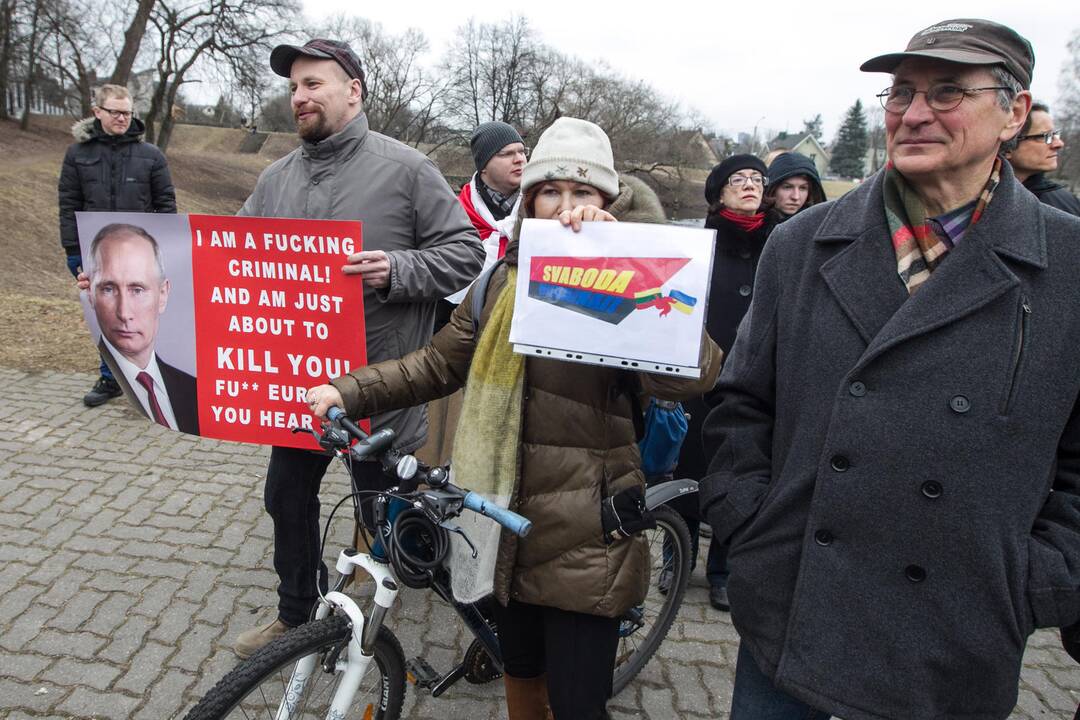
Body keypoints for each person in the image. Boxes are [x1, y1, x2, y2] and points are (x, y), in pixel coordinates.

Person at [699, 18, 1080, 720]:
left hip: (955, 635)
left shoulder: (1068, 264)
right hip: (794, 614)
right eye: (901, 93)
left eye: (947, 92)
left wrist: (1034, 581)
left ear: (1013, 112)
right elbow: (740, 406)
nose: (914, 112)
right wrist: (751, 525)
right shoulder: (804, 244)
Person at [306, 117, 722, 720]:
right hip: (500, 525)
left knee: (580, 705)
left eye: (584, 194)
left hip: (588, 533)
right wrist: (348, 389)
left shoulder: (634, 279)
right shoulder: (501, 281)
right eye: (551, 192)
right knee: (521, 676)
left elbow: (692, 376)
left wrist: (629, 263)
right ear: (530, 202)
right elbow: (435, 365)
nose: (566, 208)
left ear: (608, 203)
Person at [231, 38, 483, 658]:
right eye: (294, 87)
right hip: (300, 387)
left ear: (354, 91)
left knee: (379, 517)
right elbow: (225, 257)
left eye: (314, 84)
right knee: (285, 497)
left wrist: (395, 269)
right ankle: (297, 618)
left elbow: (466, 253)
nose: (300, 97)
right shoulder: (275, 178)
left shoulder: (406, 169)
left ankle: (380, 624)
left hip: (382, 383)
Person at [662, 155, 777, 613]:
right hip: (700, 376)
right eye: (738, 179)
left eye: (756, 178)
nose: (749, 185)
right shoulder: (698, 245)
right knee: (688, 471)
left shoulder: (781, 244)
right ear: (718, 192)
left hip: (755, 381)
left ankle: (723, 570)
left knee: (741, 472)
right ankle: (677, 556)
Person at [58, 83, 177, 408]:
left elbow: (166, 204)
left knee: (141, 316)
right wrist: (73, 252)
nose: (123, 118)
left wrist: (165, 248)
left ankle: (154, 377)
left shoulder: (151, 156)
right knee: (107, 316)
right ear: (97, 112)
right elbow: (69, 204)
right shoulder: (77, 154)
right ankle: (110, 379)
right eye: (115, 112)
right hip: (94, 253)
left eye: (127, 113)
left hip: (139, 256)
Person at [86, 223, 197, 434]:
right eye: (108, 289)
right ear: (91, 294)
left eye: (137, 290)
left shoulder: (192, 390)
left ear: (163, 294)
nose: (124, 312)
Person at [1003, 102, 1080, 216]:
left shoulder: (1068, 207)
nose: (1059, 144)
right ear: (1008, 146)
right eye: (1046, 136)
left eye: (1055, 134)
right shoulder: (977, 201)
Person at [764, 151, 826, 220]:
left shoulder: (821, 226)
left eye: (803, 188)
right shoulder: (753, 225)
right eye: (787, 187)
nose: (795, 197)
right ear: (772, 189)